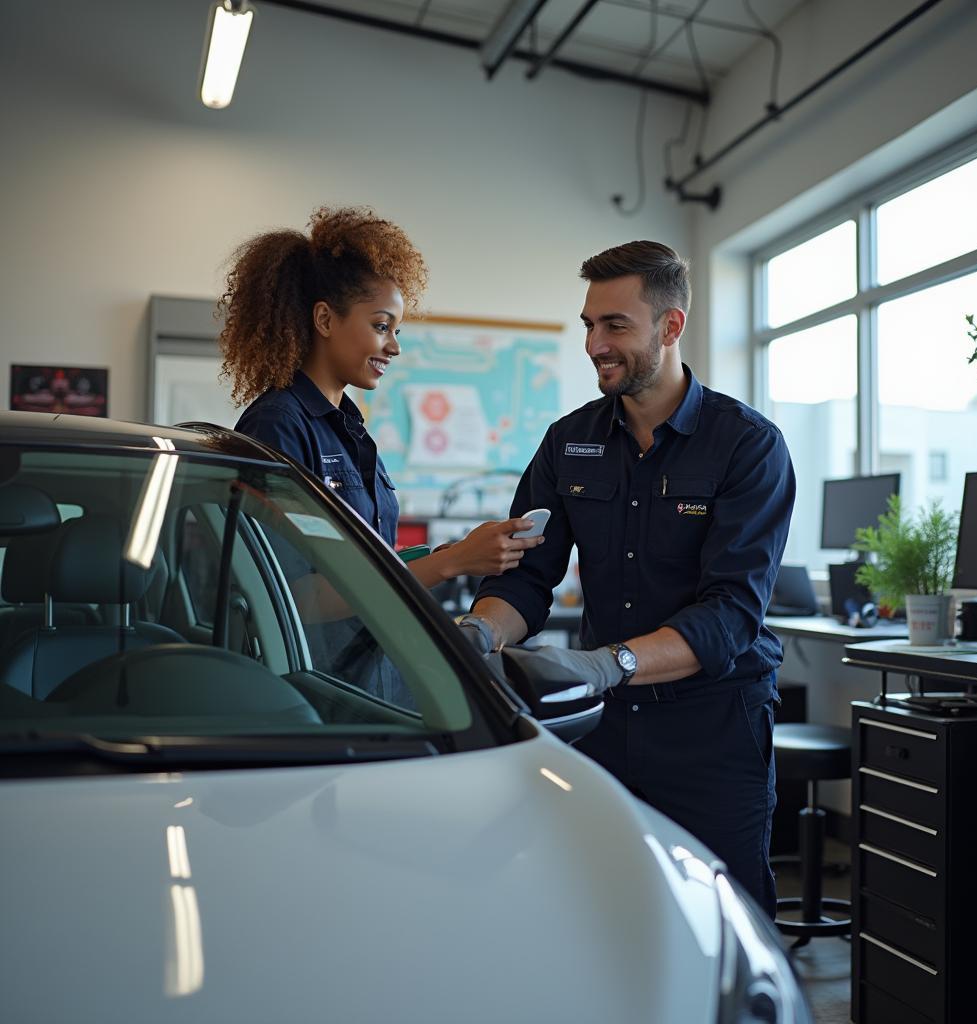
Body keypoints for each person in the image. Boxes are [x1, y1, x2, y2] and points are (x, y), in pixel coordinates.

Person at [460, 240, 795, 917]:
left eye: (614, 325)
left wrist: (606, 663)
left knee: (726, 921)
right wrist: (474, 634)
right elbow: (526, 578)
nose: (594, 343)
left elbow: (731, 615)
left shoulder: (747, 445)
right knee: (606, 914)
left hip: (714, 729)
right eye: (588, 324)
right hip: (604, 729)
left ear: (670, 327)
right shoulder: (567, 442)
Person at [219, 206, 542, 702]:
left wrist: (450, 553)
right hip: (313, 691)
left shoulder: (349, 426)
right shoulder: (278, 424)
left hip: (370, 679)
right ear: (325, 319)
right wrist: (452, 562)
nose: (393, 347)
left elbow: (367, 558)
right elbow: (292, 595)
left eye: (397, 331)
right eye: (381, 326)